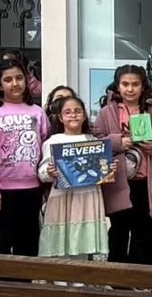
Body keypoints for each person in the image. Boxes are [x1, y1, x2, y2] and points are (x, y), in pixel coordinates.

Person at [94, 65, 152, 265]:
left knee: (143, 232)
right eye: (125, 84)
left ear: (143, 86)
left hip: (147, 182)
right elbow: (96, 143)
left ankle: (138, 275)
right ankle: (116, 274)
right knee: (118, 230)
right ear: (117, 86)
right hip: (118, 181)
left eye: (135, 84)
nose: (130, 89)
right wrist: (118, 142)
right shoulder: (106, 112)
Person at [0, 58, 50, 257]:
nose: (15, 83)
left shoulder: (37, 112)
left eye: (19, 78)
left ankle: (26, 278)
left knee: (29, 244)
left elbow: (45, 147)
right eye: (8, 80)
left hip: (32, 189)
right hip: (3, 190)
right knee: (3, 244)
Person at [38, 95, 111, 259]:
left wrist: (109, 168)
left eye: (78, 111)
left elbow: (102, 171)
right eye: (68, 112)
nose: (73, 115)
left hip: (87, 198)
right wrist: (49, 172)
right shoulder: (53, 141)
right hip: (62, 198)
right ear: (60, 117)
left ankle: (80, 273)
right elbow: (42, 173)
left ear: (84, 116)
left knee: (83, 245)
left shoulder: (93, 141)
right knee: (59, 246)